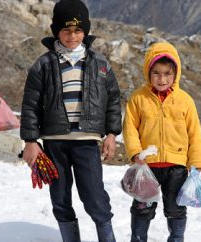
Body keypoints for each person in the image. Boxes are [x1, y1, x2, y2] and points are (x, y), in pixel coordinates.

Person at [20, 0, 121, 241]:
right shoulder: (43, 65)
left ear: (85, 31)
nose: (72, 36)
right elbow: (30, 104)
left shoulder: (100, 65)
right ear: (56, 31)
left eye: (77, 30)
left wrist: (111, 134)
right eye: (66, 30)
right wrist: (30, 141)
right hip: (55, 142)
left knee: (95, 196)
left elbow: (114, 100)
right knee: (60, 197)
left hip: (87, 141)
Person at [122, 42, 201, 242]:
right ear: (148, 72)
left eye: (168, 73)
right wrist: (135, 153)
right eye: (156, 73)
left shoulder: (185, 100)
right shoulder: (138, 98)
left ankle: (176, 239)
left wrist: (196, 163)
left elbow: (194, 133)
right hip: (146, 165)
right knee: (142, 207)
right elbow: (130, 128)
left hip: (176, 165)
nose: (162, 79)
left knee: (175, 207)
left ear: (175, 73)